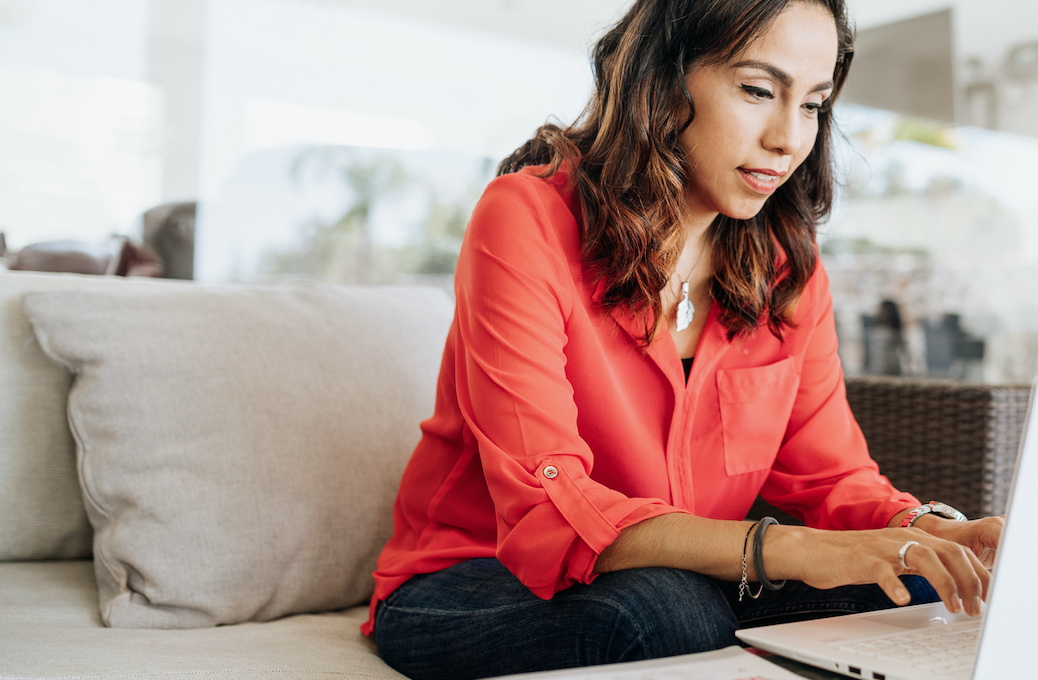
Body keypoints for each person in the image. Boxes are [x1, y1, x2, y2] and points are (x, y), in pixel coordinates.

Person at [363, 1, 1005, 678]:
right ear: (664, 81)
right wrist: (786, 551)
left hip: (693, 575)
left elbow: (831, 476)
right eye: (759, 91)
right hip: (473, 580)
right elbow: (547, 501)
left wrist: (924, 531)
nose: (790, 138)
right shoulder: (526, 217)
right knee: (670, 610)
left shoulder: (788, 266)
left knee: (929, 585)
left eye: (813, 104)